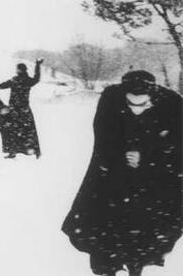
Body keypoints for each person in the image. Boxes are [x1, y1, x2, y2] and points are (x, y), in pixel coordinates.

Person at [62, 71, 182, 276]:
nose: (136, 109)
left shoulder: (172, 104)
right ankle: (109, 264)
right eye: (130, 104)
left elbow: (178, 142)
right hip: (113, 176)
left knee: (148, 221)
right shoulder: (110, 101)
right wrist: (119, 156)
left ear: (152, 97)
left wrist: (148, 155)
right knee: (106, 220)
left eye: (142, 104)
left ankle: (138, 262)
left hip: (153, 178)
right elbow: (103, 136)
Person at [0, 59, 43, 159]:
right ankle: (34, 150)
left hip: (14, 109)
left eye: (17, 69)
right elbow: (37, 77)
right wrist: (38, 65)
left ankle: (12, 151)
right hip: (25, 109)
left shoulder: (15, 80)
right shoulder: (29, 81)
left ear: (18, 70)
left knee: (12, 130)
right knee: (29, 130)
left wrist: (0, 85)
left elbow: (1, 86)